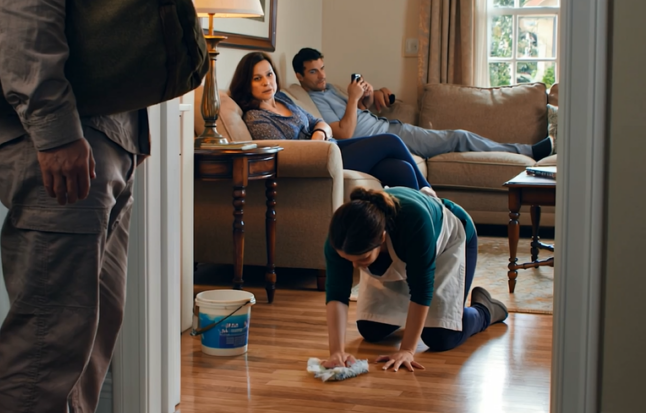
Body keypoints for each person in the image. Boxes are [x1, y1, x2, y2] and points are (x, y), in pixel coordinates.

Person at [0, 0, 149, 413]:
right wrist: (55, 132)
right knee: (47, 348)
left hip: (101, 142)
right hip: (64, 143)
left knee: (85, 340)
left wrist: (131, 141)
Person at [322, 186, 508, 372]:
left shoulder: (414, 221)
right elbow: (337, 294)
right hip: (408, 247)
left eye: (362, 259)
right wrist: (336, 352)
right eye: (349, 260)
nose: (354, 266)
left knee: (441, 337)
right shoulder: (341, 237)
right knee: (371, 329)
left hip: (448, 239)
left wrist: (407, 350)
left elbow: (421, 289)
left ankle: (485, 310)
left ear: (382, 236)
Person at [292, 47, 556, 161]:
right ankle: (528, 151)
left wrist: (365, 97)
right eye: (314, 72)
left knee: (457, 138)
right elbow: (345, 133)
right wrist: (351, 98)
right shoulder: (311, 102)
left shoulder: (331, 89)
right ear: (299, 76)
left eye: (323, 68)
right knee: (458, 137)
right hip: (386, 137)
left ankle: (525, 151)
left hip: (389, 129)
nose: (322, 75)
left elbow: (359, 117)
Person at [230, 52, 434, 192]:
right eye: (257, 79)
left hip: (330, 147)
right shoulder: (256, 117)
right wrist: (316, 142)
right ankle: (433, 198)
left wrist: (318, 135)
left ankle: (423, 225)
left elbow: (319, 122)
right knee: (390, 141)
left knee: (401, 169)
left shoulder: (284, 100)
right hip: (319, 160)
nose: (267, 82)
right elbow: (285, 153)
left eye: (269, 74)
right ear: (247, 85)